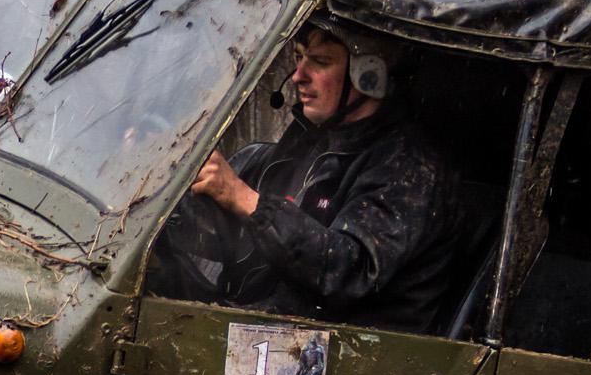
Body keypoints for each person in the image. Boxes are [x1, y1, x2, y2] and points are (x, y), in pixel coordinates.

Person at [149, 22, 471, 333]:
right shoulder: (309, 144)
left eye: (319, 62)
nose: (298, 77)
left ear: (369, 74)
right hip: (272, 328)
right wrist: (163, 194)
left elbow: (348, 270)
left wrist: (245, 200)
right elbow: (227, 238)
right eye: (299, 57)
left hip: (341, 359)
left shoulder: (410, 169)